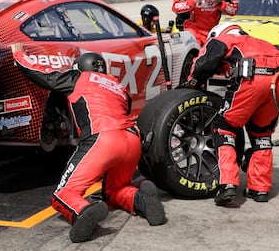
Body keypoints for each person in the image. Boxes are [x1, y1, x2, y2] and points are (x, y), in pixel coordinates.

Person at [11, 44, 166, 243]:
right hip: (131, 139)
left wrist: (18, 54)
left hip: (103, 138)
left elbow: (45, 76)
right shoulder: (118, 87)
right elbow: (124, 109)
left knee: (63, 194)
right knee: (114, 191)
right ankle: (141, 200)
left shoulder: (79, 78)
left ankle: (83, 211)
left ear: (80, 67)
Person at [187, 23, 279, 205]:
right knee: (262, 134)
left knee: (224, 127)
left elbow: (203, 65)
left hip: (252, 78)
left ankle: (227, 184)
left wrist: (191, 83)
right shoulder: (260, 41)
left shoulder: (222, 39)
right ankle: (259, 189)